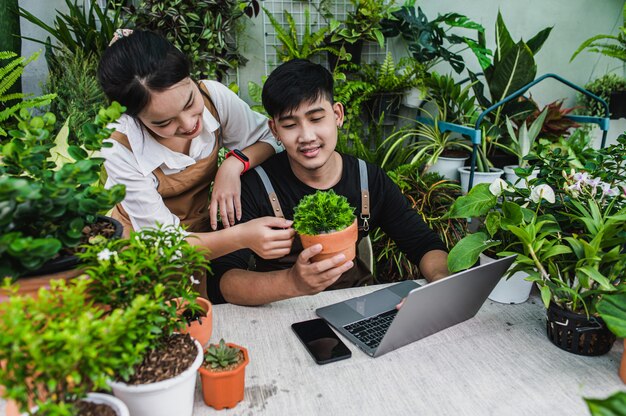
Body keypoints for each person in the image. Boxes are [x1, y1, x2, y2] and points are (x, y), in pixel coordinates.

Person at [208, 59, 449, 306]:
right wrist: (291, 283)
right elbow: (223, 281)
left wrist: (440, 285)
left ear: (337, 115)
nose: (307, 137)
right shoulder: (255, 186)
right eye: (290, 125)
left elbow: (424, 244)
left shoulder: (368, 179)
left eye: (316, 119)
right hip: (279, 314)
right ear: (275, 130)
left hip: (356, 307)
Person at [97, 30, 295, 260]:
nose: (189, 124)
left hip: (204, 238)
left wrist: (233, 165)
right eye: (164, 122)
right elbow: (166, 243)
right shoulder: (119, 148)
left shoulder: (214, 98)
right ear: (132, 116)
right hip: (145, 251)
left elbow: (272, 137)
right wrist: (241, 237)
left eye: (190, 101)